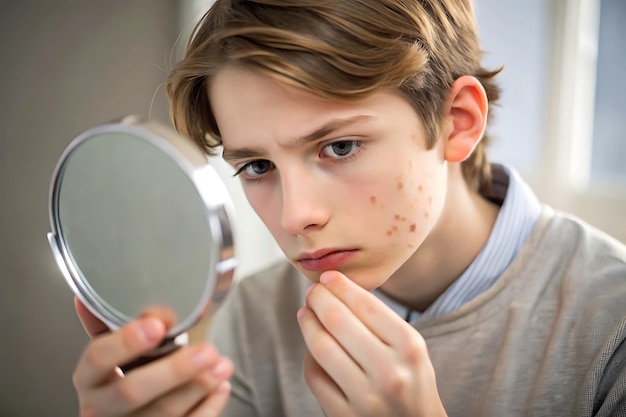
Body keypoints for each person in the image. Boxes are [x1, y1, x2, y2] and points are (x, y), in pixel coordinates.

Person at [71, 0, 626, 416]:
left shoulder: (610, 329)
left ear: (458, 122)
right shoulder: (252, 322)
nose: (295, 218)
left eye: (339, 147)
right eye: (257, 167)